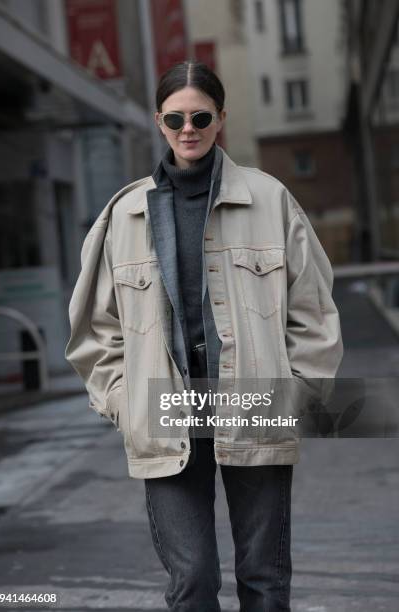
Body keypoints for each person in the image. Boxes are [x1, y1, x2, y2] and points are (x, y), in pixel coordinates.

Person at [66, 61, 343, 611]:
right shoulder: (123, 215)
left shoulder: (271, 200)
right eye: (174, 118)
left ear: (220, 119)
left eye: (200, 116)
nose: (187, 128)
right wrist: (124, 402)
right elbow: (95, 328)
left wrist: (300, 395)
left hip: (254, 406)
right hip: (165, 411)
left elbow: (312, 310)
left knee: (264, 579)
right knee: (191, 582)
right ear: (158, 121)